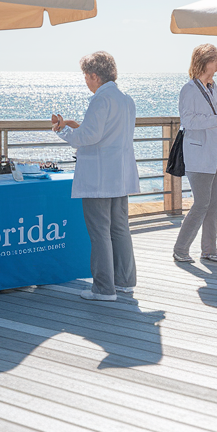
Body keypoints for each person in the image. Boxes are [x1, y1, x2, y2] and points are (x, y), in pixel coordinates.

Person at [51, 52, 139, 301]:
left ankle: (103, 288)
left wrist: (63, 130)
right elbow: (105, 134)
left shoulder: (101, 100)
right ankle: (124, 282)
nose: (86, 82)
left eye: (86, 77)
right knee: (120, 228)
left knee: (100, 231)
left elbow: (88, 137)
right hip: (120, 174)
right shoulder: (126, 100)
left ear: (94, 75)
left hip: (99, 177)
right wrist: (75, 127)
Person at [172, 44, 217, 265]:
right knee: (201, 203)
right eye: (216, 59)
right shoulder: (189, 89)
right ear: (206, 61)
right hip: (199, 155)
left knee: (212, 205)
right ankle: (180, 248)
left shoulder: (213, 87)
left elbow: (214, 116)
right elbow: (188, 121)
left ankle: (209, 250)